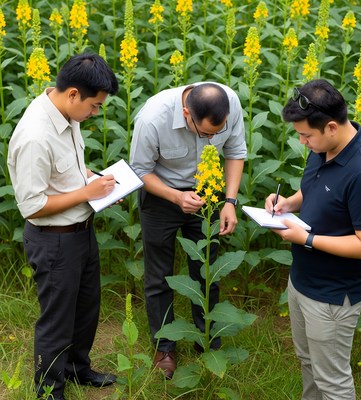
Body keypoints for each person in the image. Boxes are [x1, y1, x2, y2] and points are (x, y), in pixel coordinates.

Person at [265, 79, 361, 400]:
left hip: (333, 297)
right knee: (308, 363)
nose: (302, 142)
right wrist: (288, 203)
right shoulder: (323, 148)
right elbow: (313, 191)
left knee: (332, 381)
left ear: (331, 127)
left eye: (306, 136)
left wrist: (307, 239)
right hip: (302, 282)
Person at [8, 53, 119, 400]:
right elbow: (33, 206)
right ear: (73, 94)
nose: (96, 113)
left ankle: (76, 369)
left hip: (81, 232)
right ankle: (49, 390)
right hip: (53, 240)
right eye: (95, 106)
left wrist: (97, 184)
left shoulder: (66, 114)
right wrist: (87, 192)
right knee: (56, 320)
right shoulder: (34, 136)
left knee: (86, 309)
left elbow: (67, 171)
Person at [130, 82, 247, 378]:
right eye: (205, 132)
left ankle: (207, 338)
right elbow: (140, 171)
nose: (211, 140)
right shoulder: (153, 118)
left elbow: (235, 152)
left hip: (207, 193)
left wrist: (229, 202)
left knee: (207, 269)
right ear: (185, 113)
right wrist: (176, 196)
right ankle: (164, 346)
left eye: (215, 133)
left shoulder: (228, 103)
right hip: (161, 194)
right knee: (159, 276)